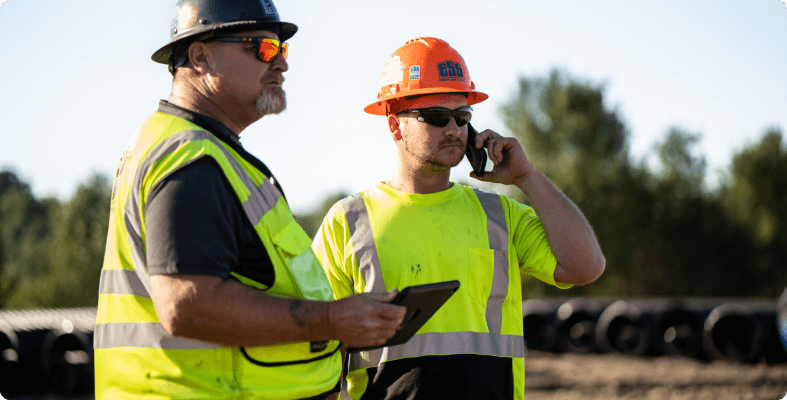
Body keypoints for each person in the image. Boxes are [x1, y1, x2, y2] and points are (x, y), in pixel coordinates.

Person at [93, 1, 405, 399]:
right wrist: (331, 320)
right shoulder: (191, 159)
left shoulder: (201, 152)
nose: (281, 65)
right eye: (263, 49)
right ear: (201, 56)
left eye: (283, 50)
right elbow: (187, 306)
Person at [311, 37, 606, 399]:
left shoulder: (500, 215)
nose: (453, 129)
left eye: (462, 116)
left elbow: (586, 266)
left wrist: (527, 177)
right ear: (394, 125)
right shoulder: (348, 222)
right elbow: (318, 349)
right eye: (436, 117)